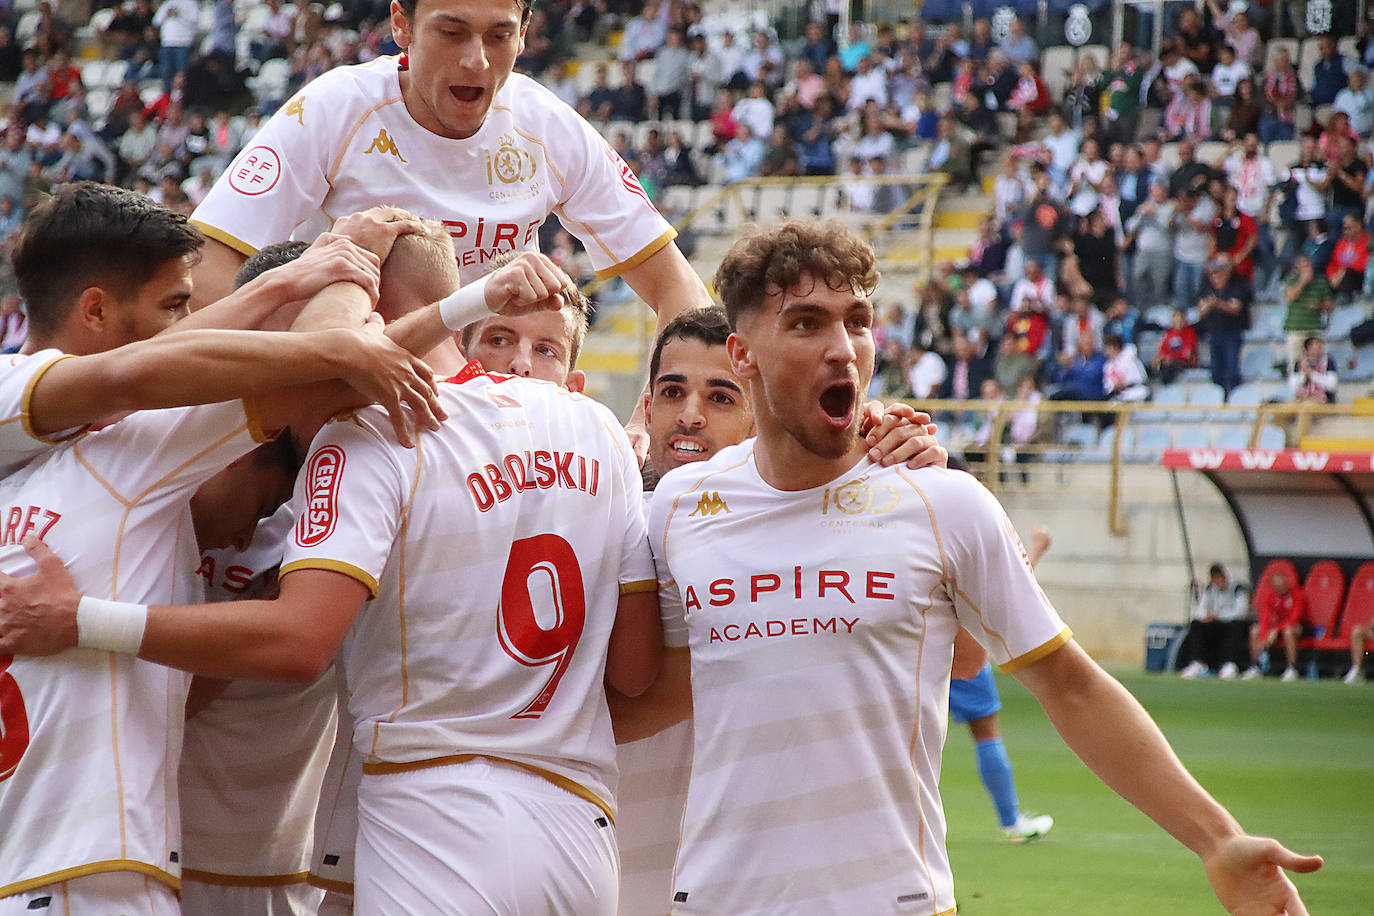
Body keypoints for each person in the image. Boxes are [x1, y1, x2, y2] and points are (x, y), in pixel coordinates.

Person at [620, 219, 1321, 914]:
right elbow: (665, 690)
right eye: (806, 324)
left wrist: (1217, 840)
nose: (842, 349)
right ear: (742, 354)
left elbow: (1071, 688)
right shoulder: (680, 507)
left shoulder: (943, 501)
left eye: (857, 322)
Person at [0, 187, 448, 913]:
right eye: (177, 307)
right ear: (95, 311)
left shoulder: (42, 461)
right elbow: (147, 376)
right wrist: (344, 274)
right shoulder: (115, 453)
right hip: (87, 869)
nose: (194, 329)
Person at [186, 0, 711, 340]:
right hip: (343, 399)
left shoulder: (547, 125)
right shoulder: (333, 108)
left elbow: (679, 291)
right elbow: (206, 275)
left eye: (499, 36)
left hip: (490, 415)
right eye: (452, 33)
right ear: (401, 24)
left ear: (525, 33)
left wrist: (648, 420)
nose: (477, 61)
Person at [949, 524, 1054, 842]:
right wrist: (1037, 548)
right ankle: (1011, 822)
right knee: (986, 732)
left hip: (908, 651)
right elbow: (1008, 586)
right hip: (961, 649)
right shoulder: (960, 527)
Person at [1179, 564, 1251, 680]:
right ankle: (1199, 663)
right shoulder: (1210, 589)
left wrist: (1219, 616)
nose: (1218, 582)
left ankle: (1231, 664)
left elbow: (1240, 612)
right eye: (1215, 579)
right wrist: (1206, 617)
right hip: (1216, 625)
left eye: (1220, 578)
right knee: (1196, 625)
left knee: (1237, 626)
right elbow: (1200, 610)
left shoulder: (1238, 589)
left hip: (1231, 624)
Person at [1196, 257, 1251, 395]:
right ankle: (1220, 396)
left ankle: (1235, 396)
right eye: (1214, 275)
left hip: (1232, 332)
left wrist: (1217, 304)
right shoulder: (1207, 289)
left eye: (1219, 274)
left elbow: (1235, 308)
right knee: (1216, 370)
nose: (1216, 278)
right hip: (1214, 332)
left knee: (1232, 369)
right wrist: (1209, 305)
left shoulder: (1236, 286)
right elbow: (1200, 311)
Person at [1244, 571, 1306, 682]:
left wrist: (1276, 630)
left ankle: (1292, 668)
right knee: (1254, 630)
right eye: (1277, 587)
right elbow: (1265, 617)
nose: (1280, 588)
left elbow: (1294, 618)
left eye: (1281, 585)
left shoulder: (1297, 594)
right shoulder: (1271, 596)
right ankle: (1255, 666)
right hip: (1275, 628)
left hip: (1295, 627)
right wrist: (1264, 638)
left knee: (1288, 631)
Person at [1281, 254, 1333, 368]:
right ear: (1298, 268)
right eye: (1304, 266)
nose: (1307, 269)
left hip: (1315, 328)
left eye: (1308, 266)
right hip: (1296, 328)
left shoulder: (1321, 281)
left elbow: (1330, 305)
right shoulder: (1291, 279)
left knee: (1318, 364)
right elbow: (1290, 296)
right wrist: (1302, 282)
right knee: (1295, 363)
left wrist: (1318, 305)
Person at [1153, 308, 1199, 384]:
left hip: (1183, 363)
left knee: (1168, 367)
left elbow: (1187, 354)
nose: (1179, 321)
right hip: (1169, 362)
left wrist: (1171, 358)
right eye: (1176, 319)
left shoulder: (1190, 333)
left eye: (1181, 319)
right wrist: (1161, 357)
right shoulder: (1169, 333)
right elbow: (1162, 350)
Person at [1289, 336, 1338, 404]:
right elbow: (1293, 387)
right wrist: (1304, 376)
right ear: (1308, 349)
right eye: (1318, 347)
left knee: (1306, 407)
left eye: (1321, 347)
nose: (1321, 350)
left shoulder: (1328, 362)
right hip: (1302, 397)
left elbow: (1331, 385)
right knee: (1283, 410)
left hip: (1323, 399)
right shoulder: (1299, 363)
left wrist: (1311, 373)